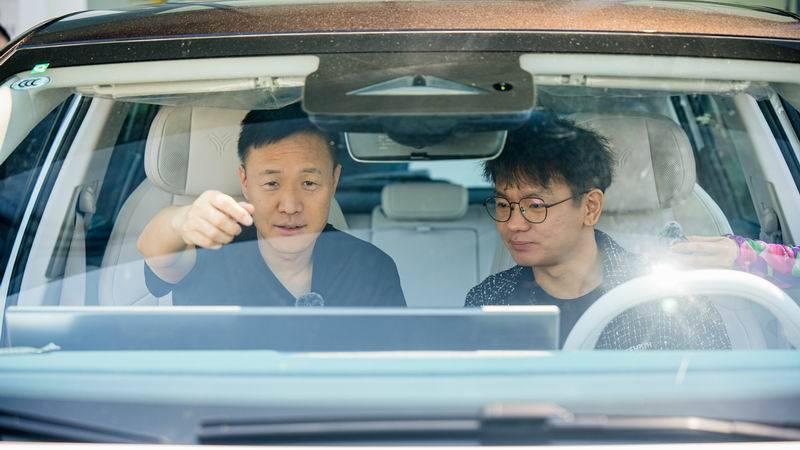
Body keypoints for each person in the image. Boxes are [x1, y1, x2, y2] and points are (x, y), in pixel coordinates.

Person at [464, 114, 732, 350]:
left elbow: (716, 387)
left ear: (590, 207)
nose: (513, 224)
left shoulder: (665, 296)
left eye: (535, 206)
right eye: (503, 205)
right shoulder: (489, 300)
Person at [138, 104, 406, 307]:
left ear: (333, 181)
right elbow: (155, 248)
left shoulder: (369, 268)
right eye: (271, 183)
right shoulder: (212, 249)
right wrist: (182, 221)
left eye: (309, 183)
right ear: (245, 181)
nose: (289, 206)